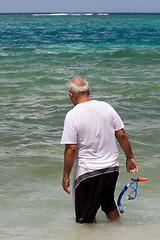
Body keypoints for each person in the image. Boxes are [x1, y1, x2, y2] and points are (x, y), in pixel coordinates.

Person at [60, 77, 138, 223]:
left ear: (70, 94)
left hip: (88, 172)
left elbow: (71, 149)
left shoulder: (72, 115)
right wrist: (130, 157)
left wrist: (65, 176)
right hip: (111, 167)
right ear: (89, 91)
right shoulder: (106, 107)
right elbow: (121, 134)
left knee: (86, 218)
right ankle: (118, 232)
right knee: (108, 205)